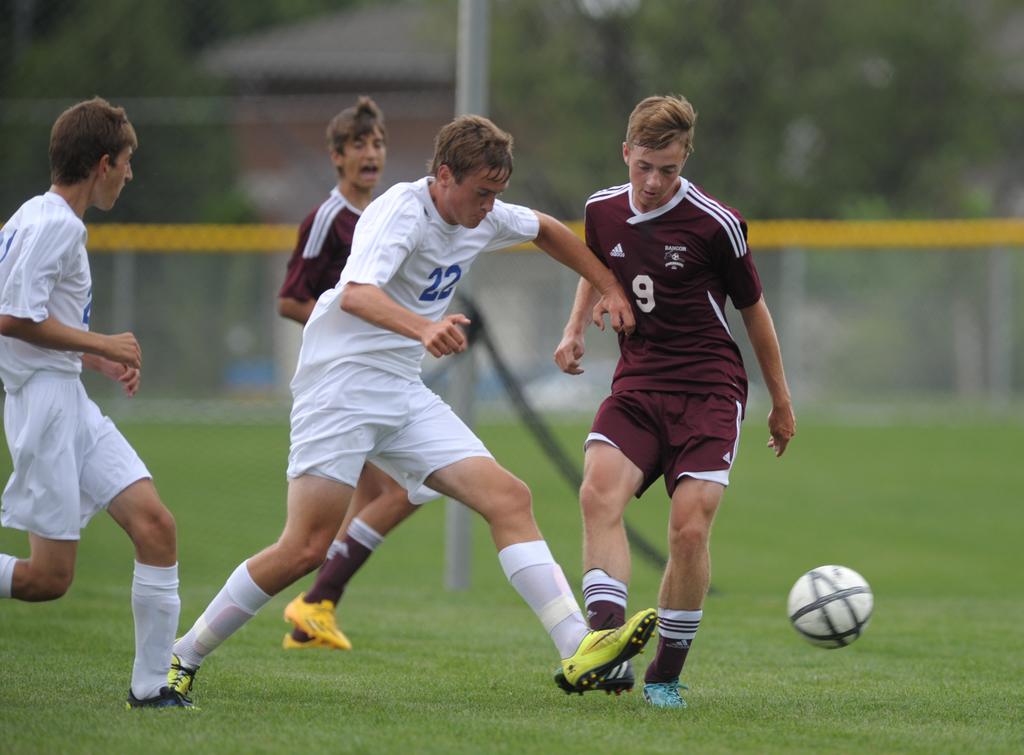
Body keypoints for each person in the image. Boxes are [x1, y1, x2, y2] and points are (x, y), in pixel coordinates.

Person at [167, 114, 656, 702]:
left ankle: (579, 648)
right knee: (303, 548)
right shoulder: (401, 211)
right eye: (481, 193)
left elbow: (548, 229)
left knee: (509, 497)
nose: (489, 206)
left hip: (399, 389)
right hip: (340, 390)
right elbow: (354, 293)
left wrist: (608, 285)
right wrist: (423, 327)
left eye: (496, 193)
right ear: (443, 175)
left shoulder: (483, 212)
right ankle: (182, 656)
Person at [553, 95, 796, 708]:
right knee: (595, 492)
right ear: (626, 153)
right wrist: (574, 327)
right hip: (638, 384)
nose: (655, 182)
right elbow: (595, 263)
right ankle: (606, 643)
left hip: (710, 391)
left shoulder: (717, 223)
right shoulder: (601, 210)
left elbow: (755, 313)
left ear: (686, 158)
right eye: (645, 167)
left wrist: (781, 400)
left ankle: (664, 674)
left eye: (669, 168)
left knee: (689, 530)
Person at [0, 97, 190, 709]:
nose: (130, 175)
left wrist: (93, 359)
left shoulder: (35, 216)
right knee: (46, 580)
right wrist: (100, 340)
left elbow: (34, 321)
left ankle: (152, 687)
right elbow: (11, 318)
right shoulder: (55, 223)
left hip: (67, 397)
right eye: (127, 162)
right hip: (46, 409)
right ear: (103, 162)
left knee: (156, 526)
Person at [276, 95, 424, 652]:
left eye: (379, 143)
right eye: (359, 145)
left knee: (389, 493)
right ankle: (316, 602)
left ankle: (312, 613)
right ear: (337, 157)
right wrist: (344, 323)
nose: (371, 153)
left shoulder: (386, 216)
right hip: (341, 382)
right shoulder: (327, 219)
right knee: (398, 490)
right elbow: (290, 300)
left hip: (381, 380)